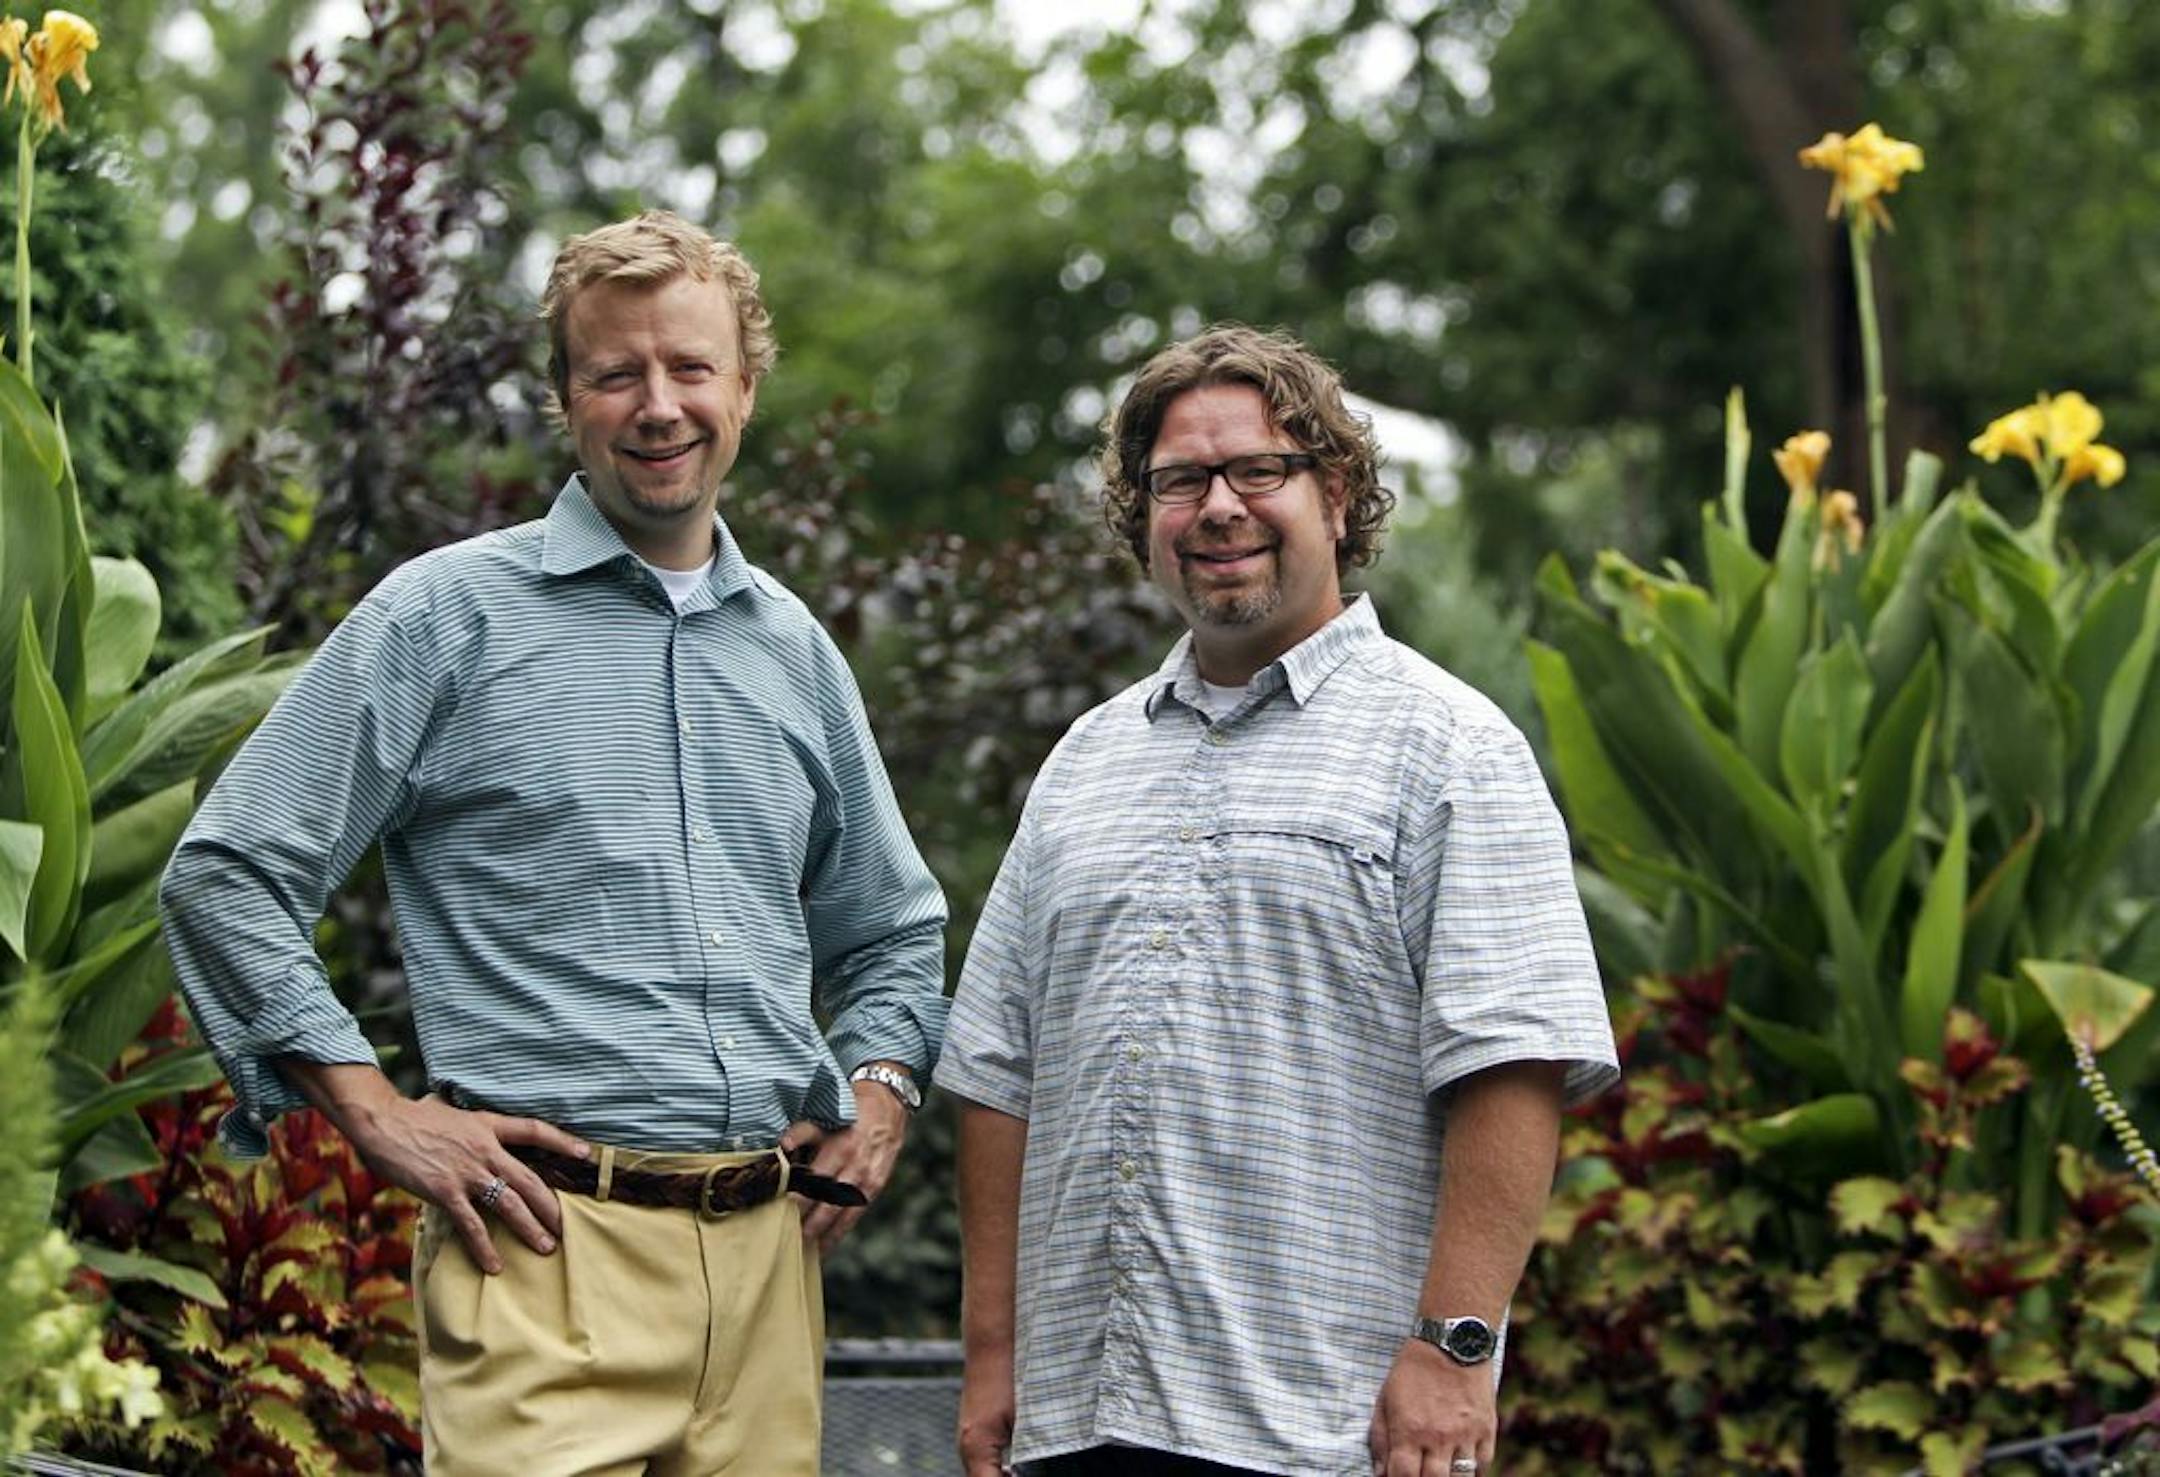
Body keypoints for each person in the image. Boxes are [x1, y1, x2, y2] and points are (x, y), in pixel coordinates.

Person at [160, 209, 947, 1476]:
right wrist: (375, 1113)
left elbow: (894, 927)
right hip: (542, 1261)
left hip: (768, 1281)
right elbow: (229, 871)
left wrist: (883, 1087)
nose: (658, 405)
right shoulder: (445, 616)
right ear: (565, 398)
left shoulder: (795, 650)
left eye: (690, 367)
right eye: (615, 372)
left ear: (746, 386)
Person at [937, 323, 1620, 1477]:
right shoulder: (1084, 764)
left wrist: (1455, 1347)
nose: (1219, 508)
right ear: (1142, 515)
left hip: (1323, 1431)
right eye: (1180, 480)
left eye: (1259, 470)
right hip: (1078, 1418)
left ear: (1336, 494)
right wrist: (995, 1352)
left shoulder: (1451, 749)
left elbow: (1514, 1063)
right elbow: (999, 1072)